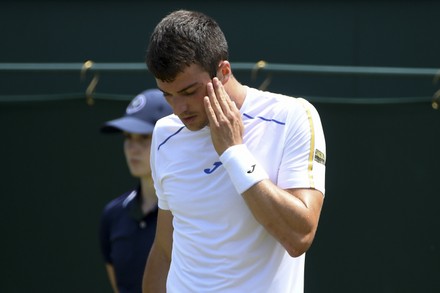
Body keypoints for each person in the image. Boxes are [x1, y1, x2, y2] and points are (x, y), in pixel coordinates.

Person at [142, 10, 326, 293]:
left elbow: (299, 236)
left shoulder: (293, 116)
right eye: (168, 95)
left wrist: (234, 153)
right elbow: (165, 250)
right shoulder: (165, 134)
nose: (179, 109)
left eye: (190, 92)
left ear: (224, 72)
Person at [99, 89, 173, 293]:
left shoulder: (194, 213)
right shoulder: (113, 216)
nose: (132, 148)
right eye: (127, 137)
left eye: (143, 137)